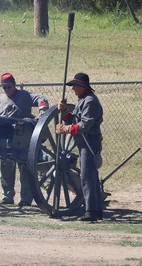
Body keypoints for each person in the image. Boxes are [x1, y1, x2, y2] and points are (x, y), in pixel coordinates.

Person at [0, 72, 49, 207]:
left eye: (9, 87)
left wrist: (42, 112)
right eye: (4, 88)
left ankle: (26, 199)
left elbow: (41, 99)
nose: (7, 90)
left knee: (25, 170)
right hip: (6, 138)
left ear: (14, 85)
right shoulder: (0, 101)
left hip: (23, 136)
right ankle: (7, 196)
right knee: (6, 168)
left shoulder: (24, 96)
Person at [55, 72, 103, 222]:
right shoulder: (84, 100)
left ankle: (90, 211)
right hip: (84, 142)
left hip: (89, 143)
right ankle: (95, 209)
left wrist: (66, 129)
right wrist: (64, 111)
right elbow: (74, 119)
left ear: (82, 86)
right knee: (90, 177)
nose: (73, 89)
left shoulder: (90, 101)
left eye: (75, 86)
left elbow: (84, 125)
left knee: (87, 177)